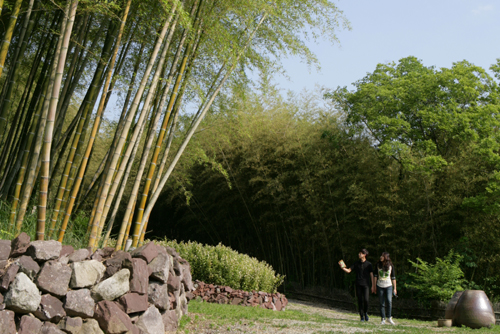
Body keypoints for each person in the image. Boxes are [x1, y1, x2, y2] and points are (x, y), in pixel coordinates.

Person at [339, 249, 374, 322]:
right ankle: (361, 316)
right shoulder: (356, 263)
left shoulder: (369, 264)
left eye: (360, 253)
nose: (359, 254)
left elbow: (371, 275)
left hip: (366, 285)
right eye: (359, 253)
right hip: (358, 284)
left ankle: (365, 312)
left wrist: (373, 285)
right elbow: (349, 270)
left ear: (365, 255)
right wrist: (342, 267)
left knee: (366, 300)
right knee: (360, 300)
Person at [372, 252, 397, 325]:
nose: (381, 257)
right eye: (381, 255)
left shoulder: (391, 266)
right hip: (380, 285)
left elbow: (393, 277)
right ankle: (383, 318)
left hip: (389, 285)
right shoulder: (377, 265)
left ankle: (389, 317)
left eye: (382, 256)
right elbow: (375, 276)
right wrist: (374, 286)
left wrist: (395, 288)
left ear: (386, 257)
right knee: (381, 302)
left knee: (389, 301)